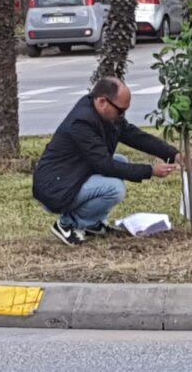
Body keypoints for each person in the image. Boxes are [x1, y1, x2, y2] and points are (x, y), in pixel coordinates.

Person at [33, 77, 183, 247]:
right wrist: (150, 171)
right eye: (120, 111)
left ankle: (92, 224)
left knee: (120, 160)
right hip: (55, 188)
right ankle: (68, 224)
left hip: (71, 174)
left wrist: (173, 154)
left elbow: (133, 135)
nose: (122, 116)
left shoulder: (102, 113)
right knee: (114, 189)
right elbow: (104, 165)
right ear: (103, 101)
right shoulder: (82, 122)